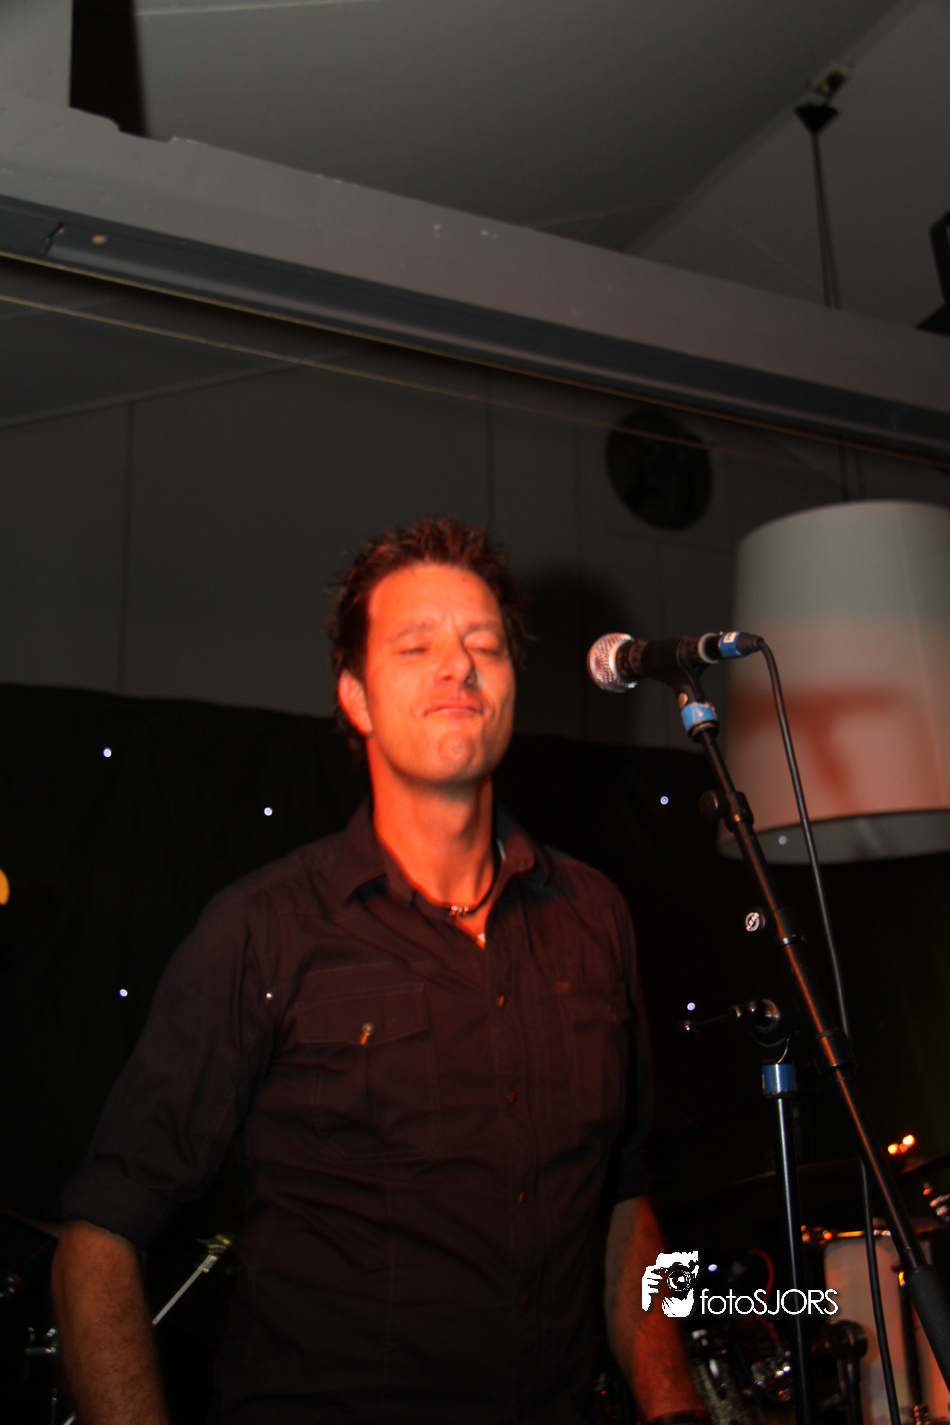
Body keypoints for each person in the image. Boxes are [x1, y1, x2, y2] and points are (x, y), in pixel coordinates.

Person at [51, 518, 706, 1425]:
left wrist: (674, 1408)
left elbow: (625, 1197)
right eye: (416, 645)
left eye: (484, 645)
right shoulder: (263, 930)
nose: (459, 666)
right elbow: (99, 1236)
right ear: (355, 698)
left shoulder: (595, 917)